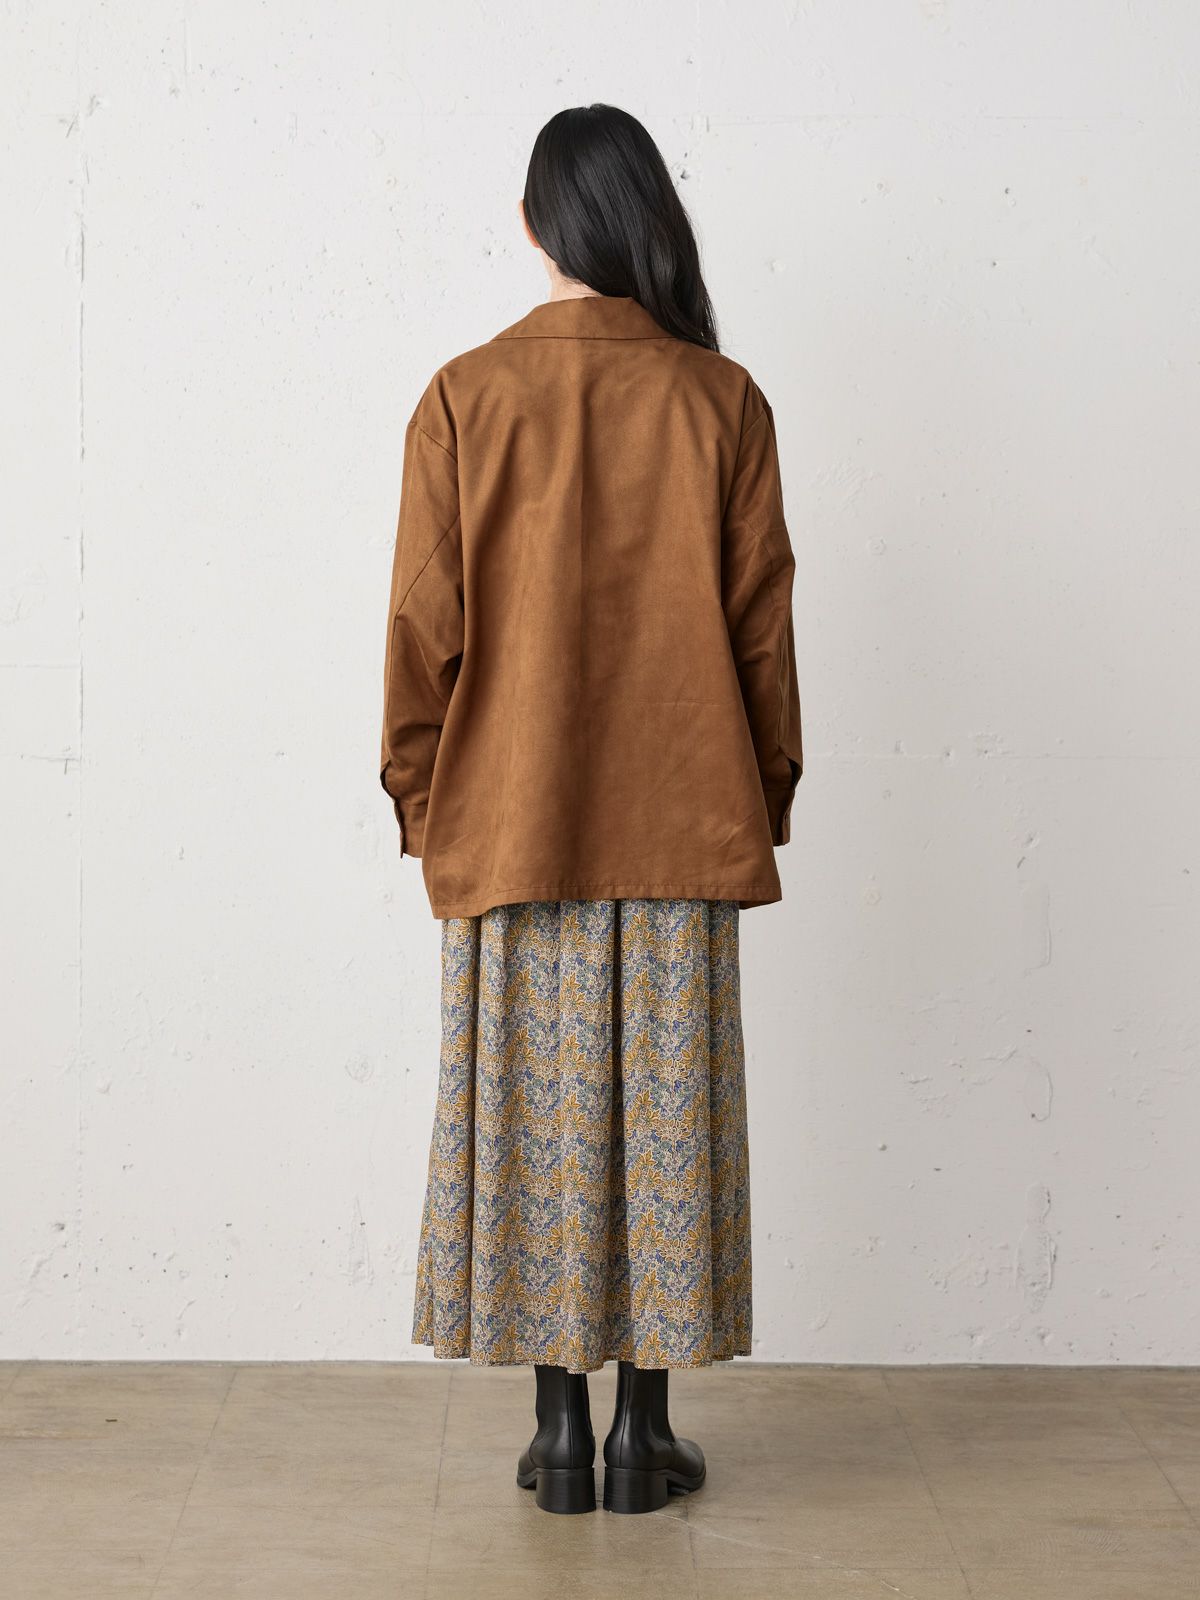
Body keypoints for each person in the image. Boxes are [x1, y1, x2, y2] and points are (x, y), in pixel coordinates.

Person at [379, 103, 803, 1515]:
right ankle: (644, 1437)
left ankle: (559, 1433)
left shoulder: (464, 396)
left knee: (539, 1130)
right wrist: (762, 795)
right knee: (663, 1132)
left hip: (515, 824)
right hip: (682, 822)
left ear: (531, 225)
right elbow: (762, 632)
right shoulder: (721, 400)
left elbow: (421, 628)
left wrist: (427, 801)